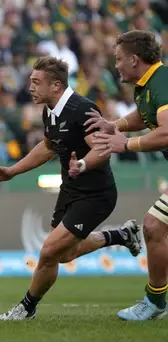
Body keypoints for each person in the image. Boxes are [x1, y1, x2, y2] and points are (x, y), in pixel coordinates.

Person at [0, 57, 143, 320]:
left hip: (96, 194)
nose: (30, 87)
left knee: (48, 251)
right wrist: (12, 171)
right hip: (71, 190)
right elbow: (48, 147)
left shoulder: (82, 108)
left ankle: (26, 308)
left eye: (36, 82)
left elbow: (102, 149)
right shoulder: (50, 111)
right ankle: (121, 236)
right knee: (64, 254)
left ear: (56, 85)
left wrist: (81, 163)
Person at [86, 30, 168, 321]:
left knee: (154, 226)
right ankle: (156, 300)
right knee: (155, 227)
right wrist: (114, 125)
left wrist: (127, 144)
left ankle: (156, 301)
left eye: (119, 59)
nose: (116, 65)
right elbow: (144, 115)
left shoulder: (162, 81)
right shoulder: (149, 84)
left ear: (135, 60)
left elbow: (167, 131)